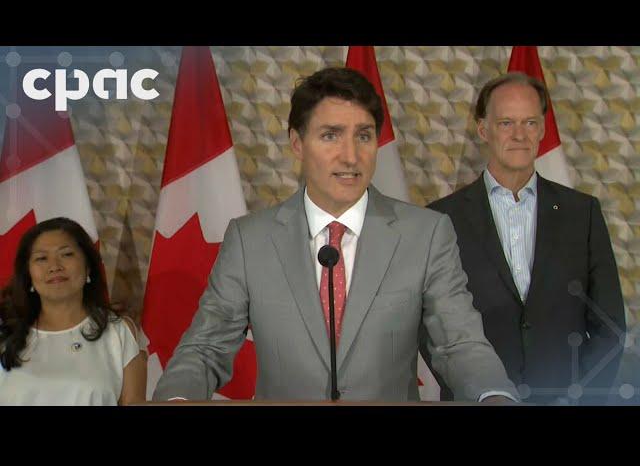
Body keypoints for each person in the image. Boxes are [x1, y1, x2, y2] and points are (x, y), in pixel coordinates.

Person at [153, 67, 517, 403]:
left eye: (363, 136)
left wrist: (495, 396)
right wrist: (176, 398)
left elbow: (459, 344)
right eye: (330, 136)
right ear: (297, 143)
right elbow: (205, 348)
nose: (350, 156)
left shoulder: (426, 234)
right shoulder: (250, 241)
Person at [424, 72, 626, 405]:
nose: (519, 135)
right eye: (506, 123)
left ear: (543, 129)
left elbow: (610, 327)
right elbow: (430, 328)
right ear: (483, 129)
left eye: (530, 123)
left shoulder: (583, 213)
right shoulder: (440, 219)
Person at [0, 217, 146, 405]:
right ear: (28, 275)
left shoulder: (118, 332)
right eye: (41, 258)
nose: (54, 267)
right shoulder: (5, 332)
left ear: (88, 268)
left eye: (66, 254)